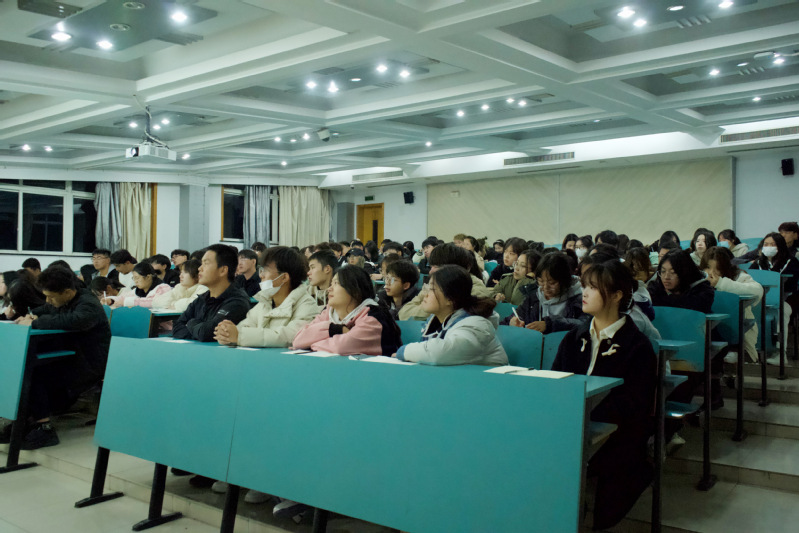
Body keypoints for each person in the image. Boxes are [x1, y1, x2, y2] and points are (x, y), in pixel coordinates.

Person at [552, 260, 656, 530]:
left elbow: (636, 406)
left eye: (593, 288)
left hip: (616, 433)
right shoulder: (574, 338)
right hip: (572, 426)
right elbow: (556, 384)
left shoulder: (637, 346)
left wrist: (587, 411)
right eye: (584, 286)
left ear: (617, 295)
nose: (584, 293)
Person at [6, 266, 111, 449]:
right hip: (70, 356)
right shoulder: (65, 299)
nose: (48, 301)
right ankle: (24, 420)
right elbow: (46, 308)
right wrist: (30, 315)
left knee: (34, 372)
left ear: (68, 292)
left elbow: (74, 320)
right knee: (23, 367)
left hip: (89, 362)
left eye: (51, 297)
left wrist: (35, 323)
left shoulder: (88, 303)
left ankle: (44, 427)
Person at [395, 265, 508, 366]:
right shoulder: (436, 321)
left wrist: (403, 352)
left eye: (432, 289)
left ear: (450, 298)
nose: (426, 294)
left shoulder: (475, 325)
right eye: (427, 288)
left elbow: (440, 353)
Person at [215, 247, 319, 348]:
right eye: (261, 270)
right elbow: (245, 326)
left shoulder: (307, 305)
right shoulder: (264, 303)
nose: (261, 275)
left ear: (284, 277)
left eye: (266, 270)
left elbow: (290, 336)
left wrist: (239, 336)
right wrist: (227, 333)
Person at [292, 265, 401, 355]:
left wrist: (311, 345)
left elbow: (340, 347)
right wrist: (335, 329)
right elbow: (298, 341)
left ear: (355, 290)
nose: (330, 289)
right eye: (331, 284)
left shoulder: (374, 316)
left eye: (336, 283)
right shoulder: (329, 312)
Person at [172, 244, 251, 342]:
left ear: (223, 270)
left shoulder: (237, 302)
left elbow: (207, 333)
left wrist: (191, 323)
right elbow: (176, 328)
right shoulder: (202, 298)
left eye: (206, 263)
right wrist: (198, 330)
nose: (199, 268)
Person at [700, 247, 763, 364]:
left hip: (734, 331)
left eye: (717, 269)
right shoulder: (700, 278)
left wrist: (721, 283)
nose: (711, 273)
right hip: (708, 329)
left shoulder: (738, 276)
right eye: (708, 267)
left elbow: (758, 290)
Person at [399, 244, 492, 321]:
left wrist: (429, 306)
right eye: (431, 266)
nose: (430, 271)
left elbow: (451, 317)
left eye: (436, 267)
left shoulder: (476, 291)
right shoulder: (435, 284)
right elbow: (404, 313)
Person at [506, 252, 584, 333]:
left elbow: (585, 323)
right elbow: (514, 316)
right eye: (541, 281)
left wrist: (550, 324)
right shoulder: (534, 298)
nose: (545, 287)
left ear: (565, 280)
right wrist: (512, 322)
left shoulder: (579, 298)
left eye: (552, 283)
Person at [749, 232, 799, 356]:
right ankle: (743, 350)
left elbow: (791, 284)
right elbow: (750, 278)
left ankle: (780, 353)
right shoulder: (759, 263)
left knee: (782, 312)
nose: (769, 247)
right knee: (744, 310)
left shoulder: (791, 262)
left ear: (780, 246)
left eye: (773, 244)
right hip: (763, 298)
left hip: (787, 298)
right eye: (766, 244)